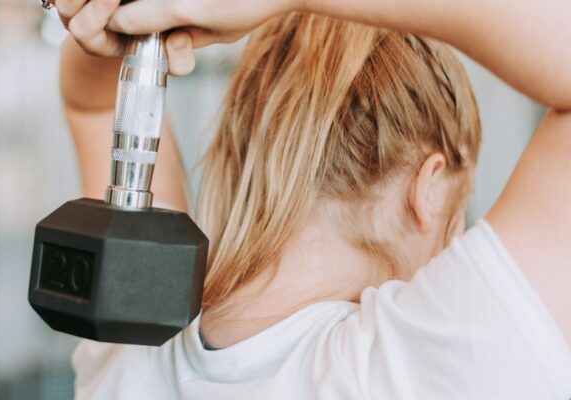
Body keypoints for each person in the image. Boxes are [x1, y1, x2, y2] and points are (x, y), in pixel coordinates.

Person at [51, 0, 571, 398]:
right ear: (428, 189)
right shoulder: (415, 363)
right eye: (461, 214)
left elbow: (93, 100)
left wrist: (120, 13)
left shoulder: (131, 335)